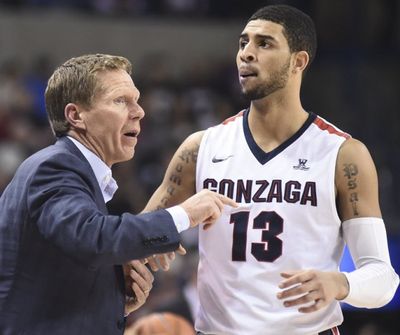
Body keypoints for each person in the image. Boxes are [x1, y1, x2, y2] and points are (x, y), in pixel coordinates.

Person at [143, 5, 399, 335]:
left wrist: (339, 283)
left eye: (264, 43)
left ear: (298, 61)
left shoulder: (343, 155)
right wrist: (150, 245)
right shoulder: (201, 147)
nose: (246, 54)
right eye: (243, 43)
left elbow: (383, 278)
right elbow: (137, 238)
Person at [0, 54, 236, 335]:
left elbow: (62, 273)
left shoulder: (79, 176)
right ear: (76, 115)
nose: (139, 111)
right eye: (120, 101)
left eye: (136, 99)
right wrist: (183, 214)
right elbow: (92, 236)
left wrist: (115, 298)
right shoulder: (54, 167)